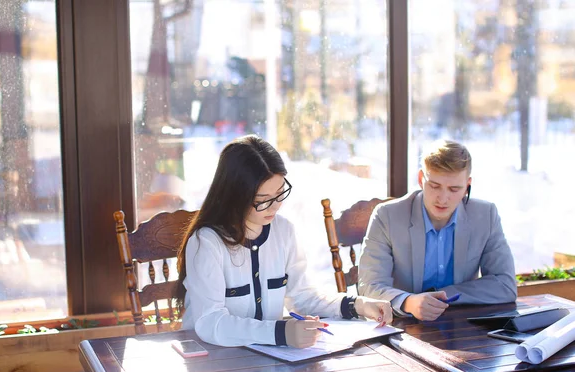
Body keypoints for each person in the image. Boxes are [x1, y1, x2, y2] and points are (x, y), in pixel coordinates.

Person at [177, 135, 393, 348]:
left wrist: (358, 305)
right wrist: (280, 333)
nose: (275, 206)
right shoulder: (206, 242)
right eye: (263, 201)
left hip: (267, 360)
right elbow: (211, 322)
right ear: (234, 195)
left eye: (280, 193)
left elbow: (302, 296)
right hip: (213, 362)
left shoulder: (283, 231)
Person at [358, 139, 517, 321]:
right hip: (400, 325)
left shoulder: (486, 215)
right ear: (420, 179)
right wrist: (409, 302)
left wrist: (442, 295)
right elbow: (369, 286)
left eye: (454, 189)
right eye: (434, 186)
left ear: (467, 186)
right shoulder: (387, 216)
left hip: (462, 326)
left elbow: (505, 285)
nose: (443, 198)